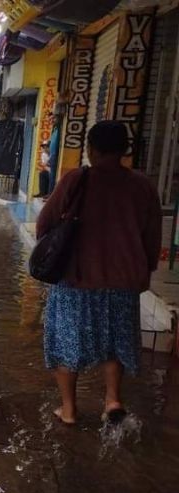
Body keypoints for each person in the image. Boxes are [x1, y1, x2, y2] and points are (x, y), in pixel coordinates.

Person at [36, 121, 162, 426]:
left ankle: (68, 410)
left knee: (67, 344)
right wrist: (142, 271)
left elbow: (45, 223)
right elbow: (152, 238)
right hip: (122, 283)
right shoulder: (143, 186)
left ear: (91, 148)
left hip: (76, 280)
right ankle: (112, 400)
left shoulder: (77, 180)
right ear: (124, 150)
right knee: (115, 343)